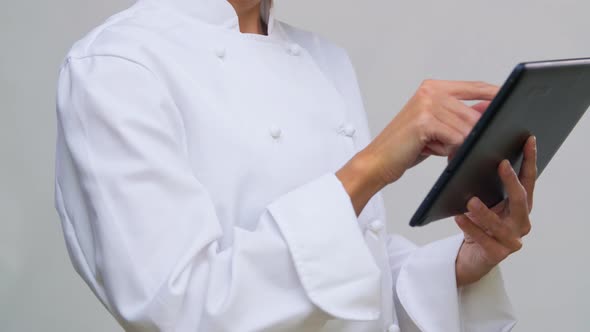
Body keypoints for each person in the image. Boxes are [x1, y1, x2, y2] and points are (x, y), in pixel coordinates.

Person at [54, 0, 537, 331]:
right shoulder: (117, 65)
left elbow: (350, 271)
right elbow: (179, 308)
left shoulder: (322, 58)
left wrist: (457, 268)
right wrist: (369, 169)